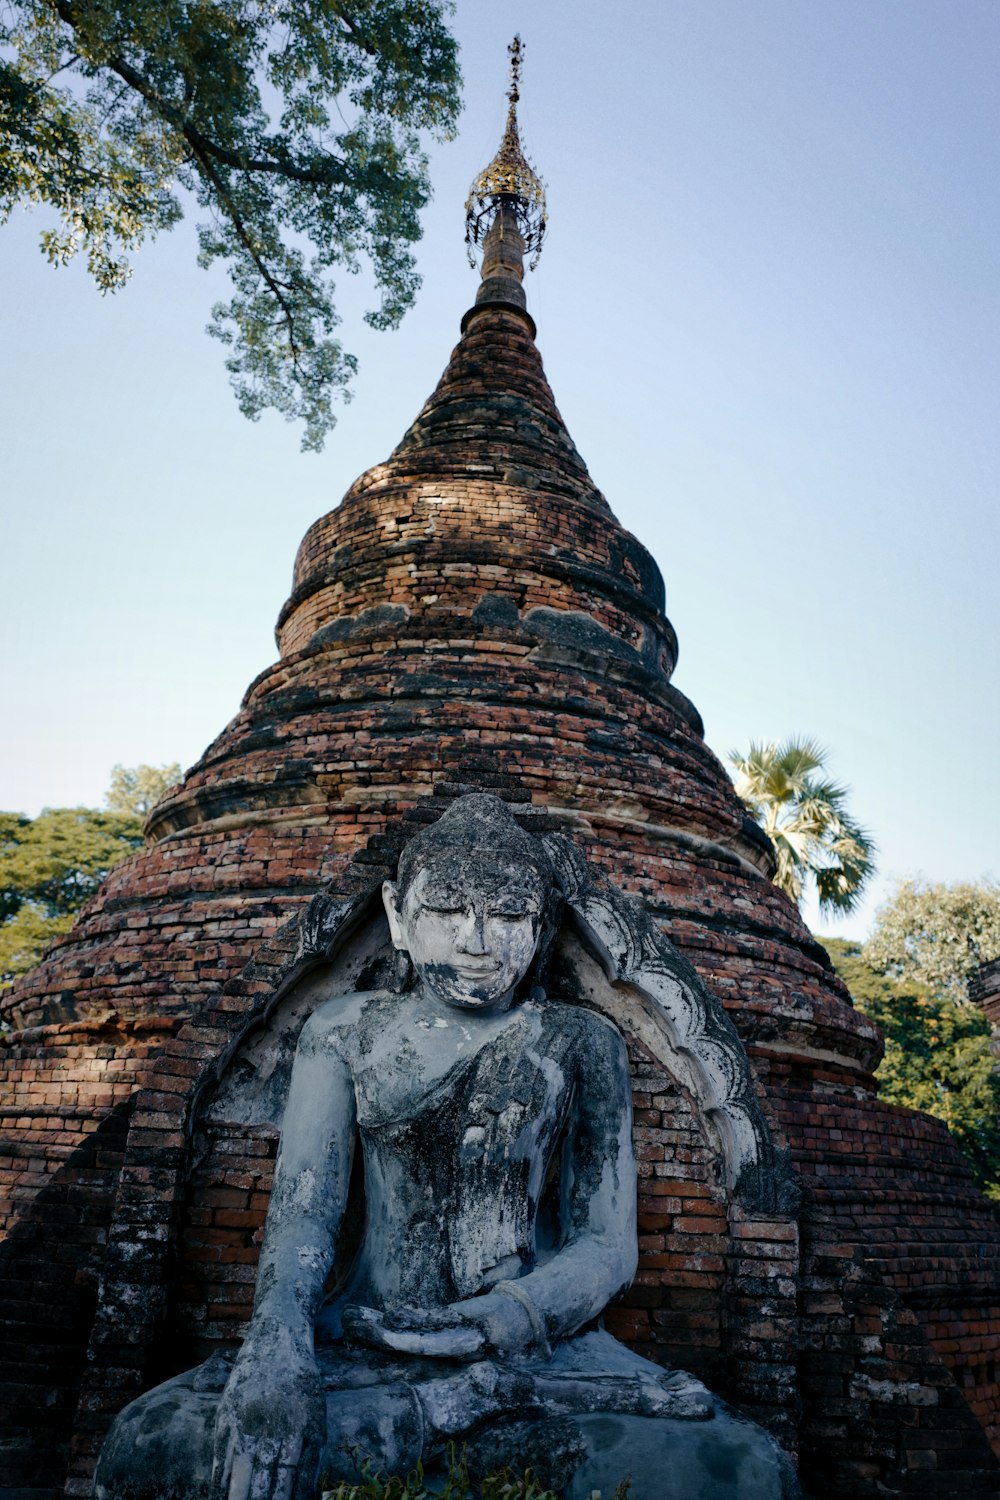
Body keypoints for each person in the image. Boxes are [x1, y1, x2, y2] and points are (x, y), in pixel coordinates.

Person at [95, 796, 792, 1500]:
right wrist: (278, 1349)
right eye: (449, 910)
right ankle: (443, 1409)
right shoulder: (345, 1031)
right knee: (153, 1442)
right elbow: (305, 1214)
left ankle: (452, 1408)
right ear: (399, 916)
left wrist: (497, 1320)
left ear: (543, 924)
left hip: (533, 1352)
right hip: (366, 1340)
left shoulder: (581, 1041)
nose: (478, 940)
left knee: (738, 1468)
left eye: (511, 914)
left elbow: (606, 1247)